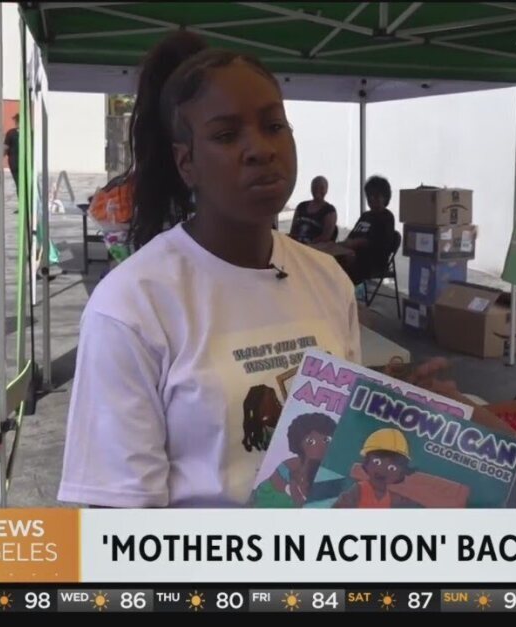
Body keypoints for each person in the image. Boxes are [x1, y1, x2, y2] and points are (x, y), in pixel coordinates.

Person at [57, 32, 363, 509]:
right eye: (226, 135)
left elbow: (342, 446)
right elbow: (118, 521)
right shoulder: (132, 306)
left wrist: (412, 413)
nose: (260, 149)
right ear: (187, 162)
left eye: (274, 126)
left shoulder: (328, 279)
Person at [338, 175, 397, 285]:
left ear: (385, 197)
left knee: (341, 267)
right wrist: (342, 247)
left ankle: (342, 292)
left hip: (372, 261)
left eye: (376, 196)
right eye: (369, 195)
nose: (371, 199)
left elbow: (380, 244)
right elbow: (351, 237)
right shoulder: (365, 216)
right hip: (354, 255)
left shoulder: (387, 217)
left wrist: (356, 244)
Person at [287, 175, 337, 244]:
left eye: (321, 188)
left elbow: (325, 238)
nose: (318, 190)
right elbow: (293, 231)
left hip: (314, 247)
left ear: (326, 190)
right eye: (315, 187)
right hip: (295, 245)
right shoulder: (301, 206)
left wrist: (307, 245)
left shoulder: (329, 211)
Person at [4, 113, 19, 195]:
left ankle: (21, 199)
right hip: (26, 163)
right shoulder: (30, 133)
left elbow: (5, 148)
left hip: (14, 163)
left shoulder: (10, 133)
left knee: (18, 183)